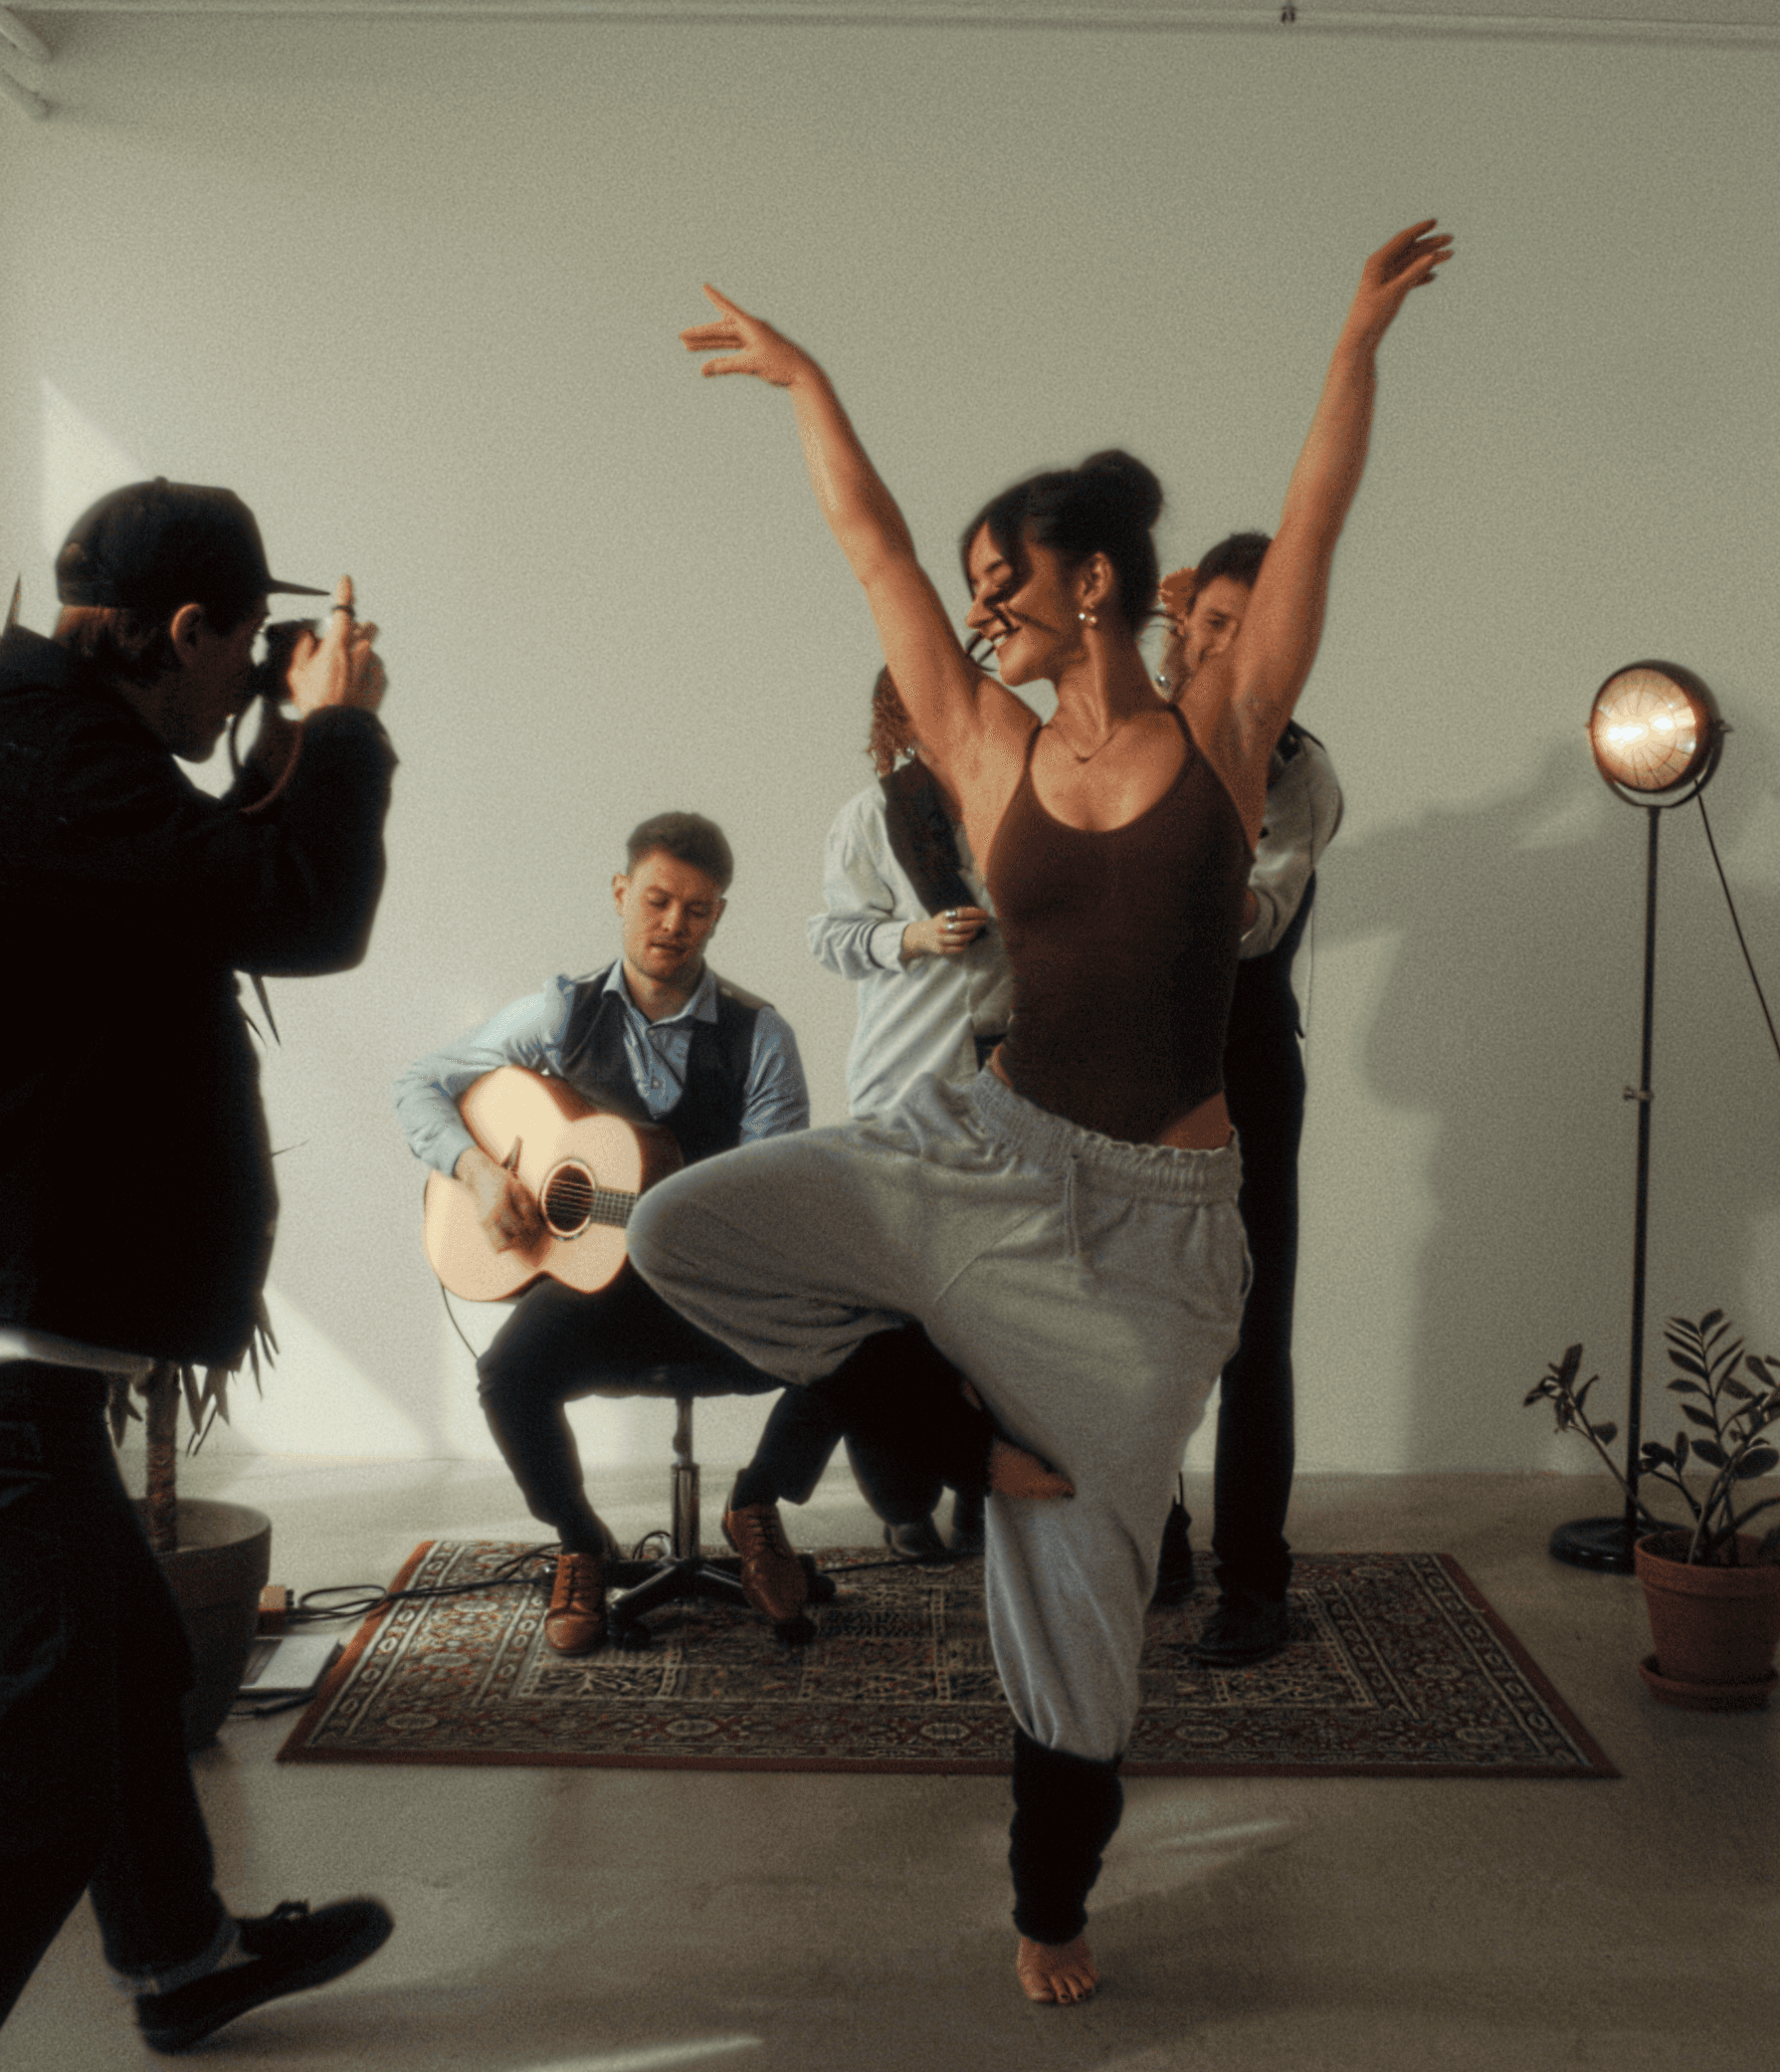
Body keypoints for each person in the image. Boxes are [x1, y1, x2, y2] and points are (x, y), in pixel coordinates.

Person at [635, 220, 1450, 2004]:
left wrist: (1356, 336)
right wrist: (813, 391)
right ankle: (952, 1433)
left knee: (1082, 1619)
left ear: (1096, 582)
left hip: (1155, 1240)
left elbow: (1314, 522)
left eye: (1008, 574)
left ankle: (1051, 1900)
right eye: (977, 574)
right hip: (976, 1156)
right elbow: (872, 558)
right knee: (687, 1227)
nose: (980, 599)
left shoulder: (1229, 732)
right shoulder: (987, 747)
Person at [0, 479, 398, 2067]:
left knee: (129, 1660)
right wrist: (341, 733)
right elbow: (301, 905)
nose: (246, 677)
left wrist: (281, 736)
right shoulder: (57, 764)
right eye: (240, 648)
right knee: (34, 1785)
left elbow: (210, 870)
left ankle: (182, 1957)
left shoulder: (37, 745)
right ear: (181, 631)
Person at [394, 813, 851, 1654]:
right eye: (657, 899)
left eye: (698, 909)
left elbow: (772, 1202)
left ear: (719, 916)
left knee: (858, 1339)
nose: (674, 923)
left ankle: (756, 1504)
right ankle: (580, 1543)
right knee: (506, 1375)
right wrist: (479, 1171)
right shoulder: (558, 1016)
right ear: (621, 894)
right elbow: (421, 1083)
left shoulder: (762, 1039)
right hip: (594, 1294)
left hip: (719, 1299)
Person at [1145, 531, 1345, 1667]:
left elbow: (1255, 917)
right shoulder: (1124, 736)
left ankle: (1255, 1583)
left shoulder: (1300, 768)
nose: (1209, 644)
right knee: (1132, 1316)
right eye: (1202, 622)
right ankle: (1157, 1536)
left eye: (1237, 628)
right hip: (1129, 1065)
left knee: (1250, 1331)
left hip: (1246, 1066)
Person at [807, 669, 1016, 1559]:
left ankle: (985, 1486)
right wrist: (912, 938)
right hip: (903, 1091)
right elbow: (829, 937)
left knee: (1000, 1307)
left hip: (1012, 1093)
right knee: (899, 1309)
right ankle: (901, 1497)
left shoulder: (1023, 803)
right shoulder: (872, 816)